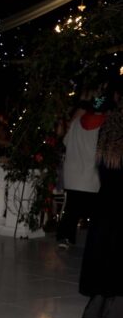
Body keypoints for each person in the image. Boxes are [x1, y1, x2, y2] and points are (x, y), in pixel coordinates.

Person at [79, 81, 123, 318]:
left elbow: (103, 168)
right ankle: (115, 312)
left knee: (106, 253)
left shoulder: (109, 126)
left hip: (107, 200)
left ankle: (98, 305)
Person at [56, 99, 103, 248]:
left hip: (73, 174)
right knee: (95, 211)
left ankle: (65, 238)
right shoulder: (103, 125)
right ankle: (95, 242)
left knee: (71, 209)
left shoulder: (76, 123)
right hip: (91, 176)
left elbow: (65, 142)